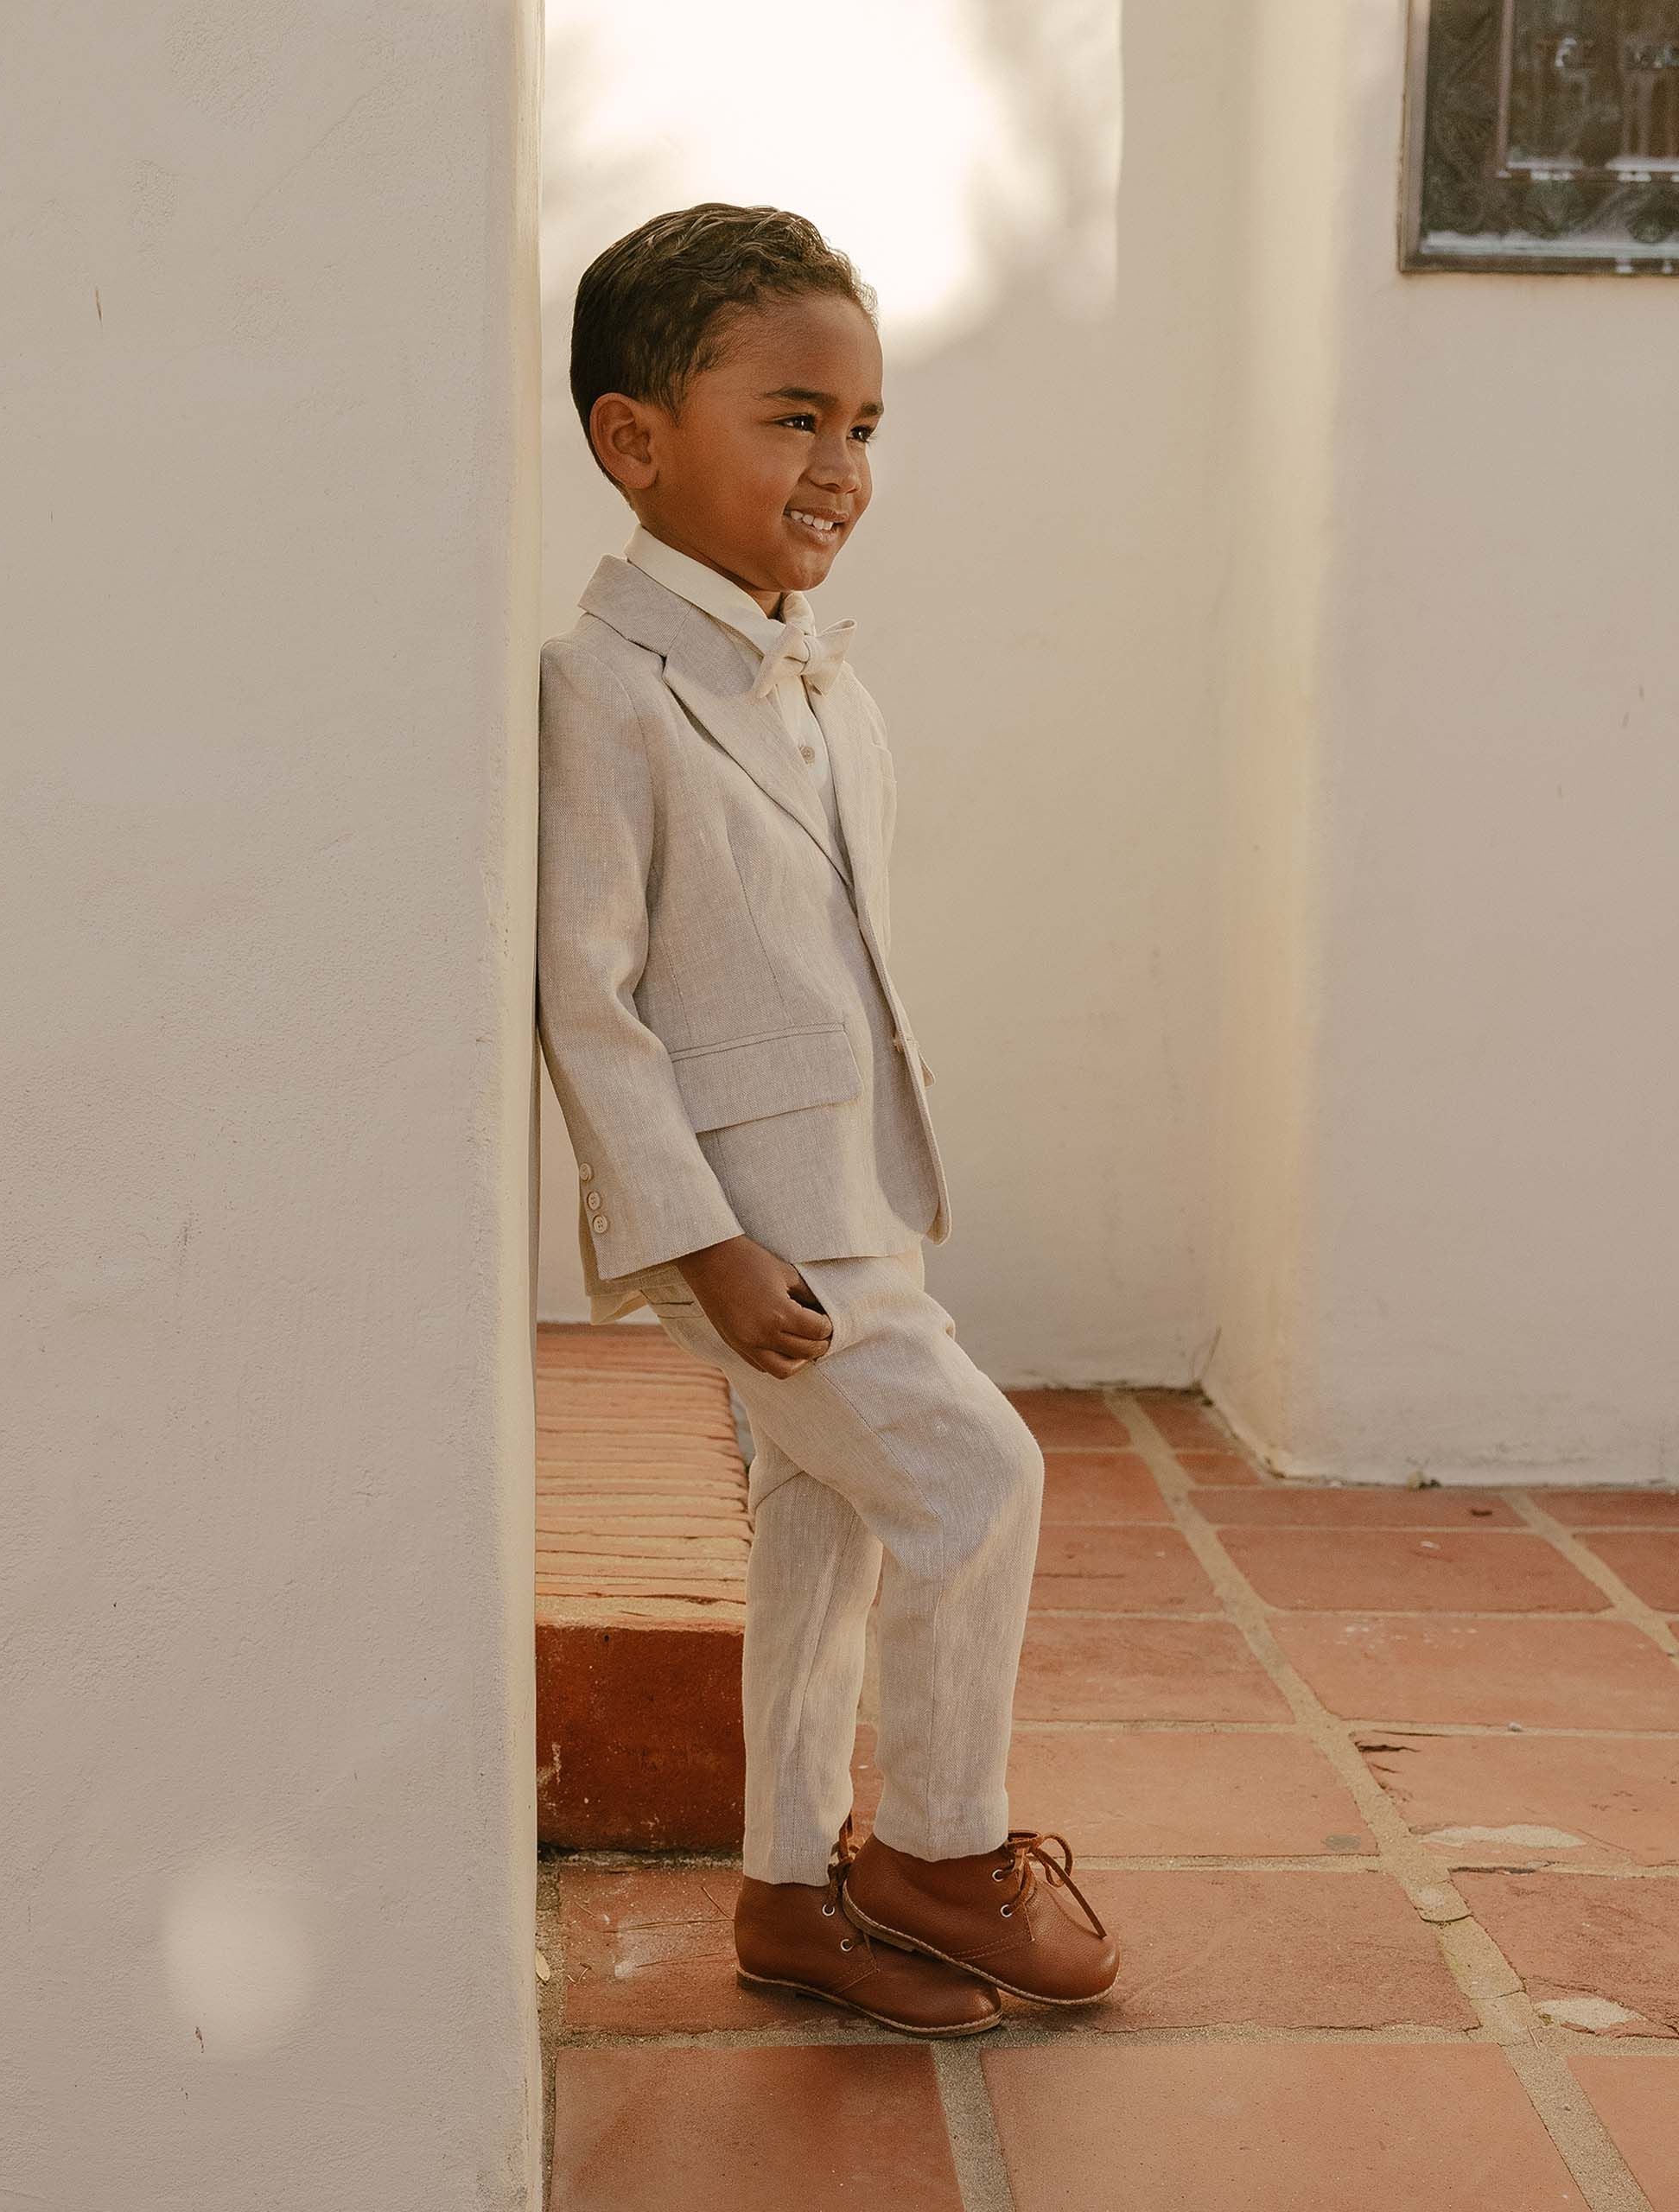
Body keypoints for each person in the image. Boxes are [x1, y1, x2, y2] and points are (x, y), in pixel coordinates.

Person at [536, 202, 1119, 2037]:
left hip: (850, 1194)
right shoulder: (603, 689)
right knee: (978, 1479)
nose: (840, 467)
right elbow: (587, 997)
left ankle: (790, 1890)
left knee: (826, 1530)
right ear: (635, 438)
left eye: (862, 425)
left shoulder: (825, 687)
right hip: (753, 1226)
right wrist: (699, 1239)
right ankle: (942, 1854)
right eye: (792, 418)